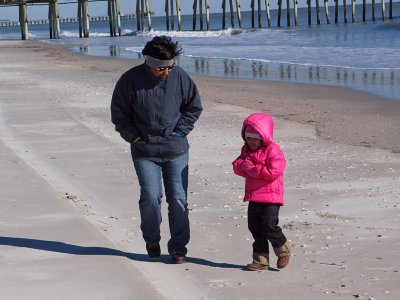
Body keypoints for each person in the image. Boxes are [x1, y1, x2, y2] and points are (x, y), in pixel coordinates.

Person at [110, 36, 202, 264]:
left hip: (176, 149)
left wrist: (180, 131)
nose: (167, 72)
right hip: (145, 151)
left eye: (171, 66)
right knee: (151, 197)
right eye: (162, 68)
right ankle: (152, 240)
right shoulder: (129, 80)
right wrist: (134, 137)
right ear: (150, 64)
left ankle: (178, 248)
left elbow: (193, 107)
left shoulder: (179, 76)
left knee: (178, 199)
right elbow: (119, 115)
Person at [232, 112, 291, 271]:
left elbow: (273, 172)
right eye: (248, 138)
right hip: (254, 196)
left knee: (269, 227)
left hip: (271, 198)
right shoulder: (246, 150)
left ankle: (283, 250)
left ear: (263, 137)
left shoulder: (273, 150)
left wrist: (251, 169)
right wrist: (242, 166)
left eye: (254, 138)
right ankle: (261, 260)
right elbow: (237, 165)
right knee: (255, 228)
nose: (250, 141)